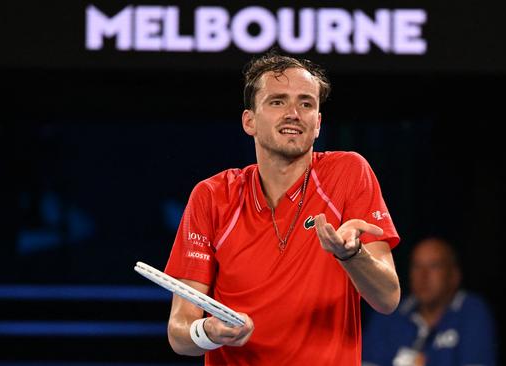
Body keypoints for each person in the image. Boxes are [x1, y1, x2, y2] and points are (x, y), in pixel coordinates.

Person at [163, 51, 401, 365]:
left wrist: (351, 255)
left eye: (306, 103)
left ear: (317, 123)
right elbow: (179, 333)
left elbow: (388, 299)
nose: (294, 113)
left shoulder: (349, 173)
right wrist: (208, 331)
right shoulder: (212, 196)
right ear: (249, 121)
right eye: (277, 101)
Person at [362, 237, 497, 366]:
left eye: (434, 266)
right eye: (417, 266)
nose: (423, 276)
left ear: (454, 275)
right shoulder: (388, 311)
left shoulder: (471, 312)